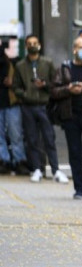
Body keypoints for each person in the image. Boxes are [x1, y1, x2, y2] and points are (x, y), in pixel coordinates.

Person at [13, 34, 68, 184]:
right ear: (26, 46)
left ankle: (55, 169)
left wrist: (44, 85)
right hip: (28, 106)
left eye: (35, 43)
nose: (32, 45)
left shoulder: (47, 63)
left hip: (44, 105)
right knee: (32, 139)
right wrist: (24, 94)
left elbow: (54, 83)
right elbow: (15, 86)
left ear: (40, 45)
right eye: (29, 43)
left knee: (49, 138)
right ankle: (36, 169)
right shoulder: (20, 65)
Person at [50, 35, 82, 204]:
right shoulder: (65, 68)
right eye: (81, 47)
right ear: (74, 49)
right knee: (75, 153)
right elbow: (53, 91)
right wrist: (69, 89)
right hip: (71, 115)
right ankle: (79, 188)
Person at [0, 43, 29, 176]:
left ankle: (19, 161)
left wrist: (13, 82)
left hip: (12, 103)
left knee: (16, 134)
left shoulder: (12, 61)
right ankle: (4, 161)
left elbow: (22, 79)